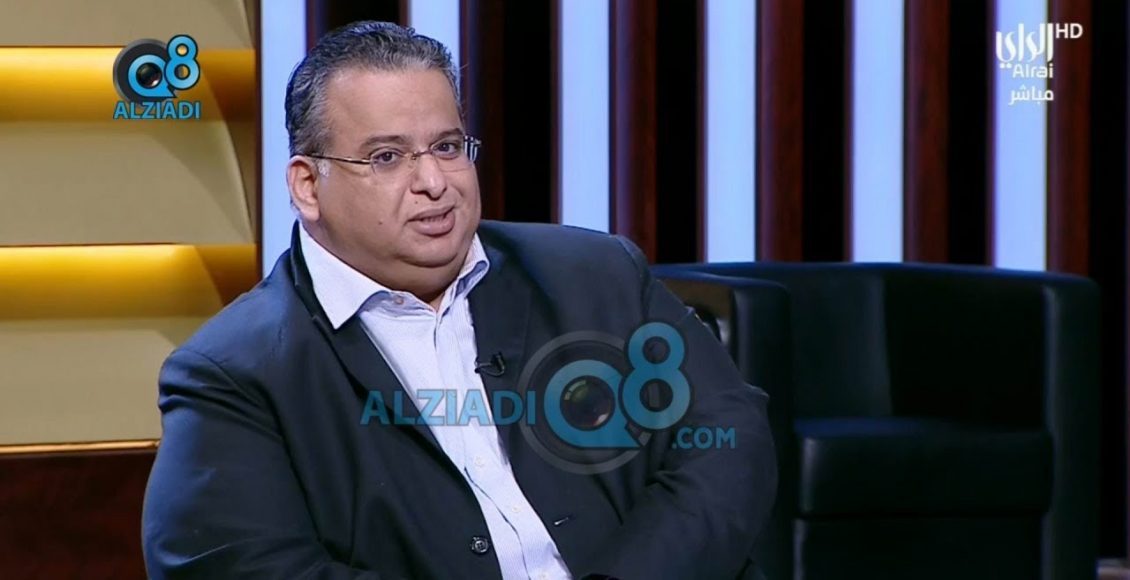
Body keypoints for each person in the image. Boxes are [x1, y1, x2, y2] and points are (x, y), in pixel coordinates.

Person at [142, 21, 776, 580]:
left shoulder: (595, 273)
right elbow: (239, 565)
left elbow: (727, 440)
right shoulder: (233, 373)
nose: (433, 182)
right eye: (387, 157)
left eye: (447, 147)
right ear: (308, 185)